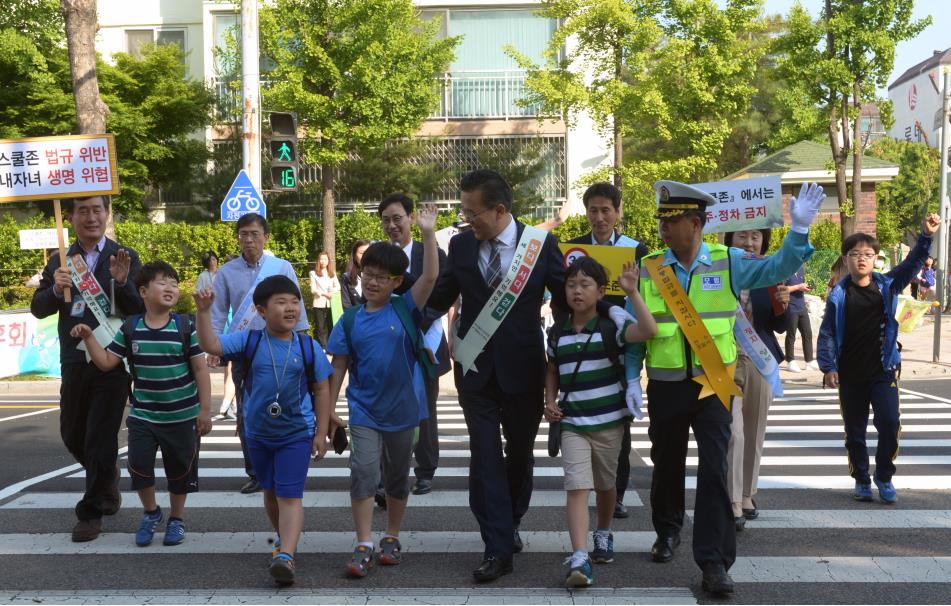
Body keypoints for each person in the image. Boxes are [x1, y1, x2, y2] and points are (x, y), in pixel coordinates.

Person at [426, 169, 633, 583]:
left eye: (473, 212)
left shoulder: (539, 246)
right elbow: (438, 297)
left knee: (518, 455)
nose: (467, 221)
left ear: (500, 209)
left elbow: (570, 293)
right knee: (484, 457)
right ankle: (497, 546)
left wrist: (609, 317)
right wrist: (396, 314)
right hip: (476, 371)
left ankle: (511, 519)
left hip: (523, 369)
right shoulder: (463, 246)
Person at [627, 180, 825, 596]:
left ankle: (715, 562)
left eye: (674, 220)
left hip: (714, 384)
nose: (665, 227)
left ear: (697, 223)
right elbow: (637, 324)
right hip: (665, 384)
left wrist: (800, 230)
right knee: (666, 464)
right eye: (662, 219)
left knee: (716, 470)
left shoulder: (728, 260)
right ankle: (667, 530)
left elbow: (775, 269)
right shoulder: (649, 267)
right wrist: (631, 375)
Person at [195, 275, 334, 586]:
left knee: (289, 495)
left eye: (295, 302)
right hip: (257, 433)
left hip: (296, 433)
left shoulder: (307, 345)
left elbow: (322, 390)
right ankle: (283, 538)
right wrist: (203, 312)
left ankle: (286, 554)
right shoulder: (250, 340)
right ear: (261, 310)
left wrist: (320, 433)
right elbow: (211, 344)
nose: (290, 308)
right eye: (281, 302)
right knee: (270, 492)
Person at [326, 204, 439, 578]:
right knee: (362, 471)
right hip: (364, 411)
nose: (372, 282)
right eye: (367, 274)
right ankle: (363, 542)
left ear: (395, 282)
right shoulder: (350, 319)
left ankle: (391, 535)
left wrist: (427, 233)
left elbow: (430, 277)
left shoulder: (405, 309)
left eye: (381, 277)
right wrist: (328, 411)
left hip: (404, 410)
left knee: (395, 478)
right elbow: (338, 368)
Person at [70, 261, 213, 547]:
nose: (170, 287)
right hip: (144, 416)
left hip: (181, 417)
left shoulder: (185, 327)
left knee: (180, 472)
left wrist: (205, 410)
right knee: (139, 466)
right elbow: (107, 362)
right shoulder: (130, 327)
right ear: (144, 292)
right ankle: (151, 513)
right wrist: (88, 337)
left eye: (173, 283)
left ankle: (176, 519)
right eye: (163, 283)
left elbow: (200, 370)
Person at [30, 195, 144, 542]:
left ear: (107, 214)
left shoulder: (125, 256)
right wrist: (55, 288)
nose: (91, 217)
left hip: (112, 359)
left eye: (97, 210)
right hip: (75, 359)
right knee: (72, 433)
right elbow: (38, 308)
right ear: (72, 217)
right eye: (83, 211)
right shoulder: (61, 260)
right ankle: (106, 477)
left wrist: (123, 283)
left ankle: (91, 511)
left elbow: (139, 308)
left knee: (100, 437)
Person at [544, 257, 656, 587]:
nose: (577, 291)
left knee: (607, 486)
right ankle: (579, 555)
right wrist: (549, 401)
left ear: (600, 290)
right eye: (571, 285)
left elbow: (649, 330)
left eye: (585, 284)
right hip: (573, 423)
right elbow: (551, 369)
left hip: (609, 423)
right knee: (577, 487)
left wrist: (633, 293)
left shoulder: (613, 327)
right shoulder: (558, 330)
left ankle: (604, 531)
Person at [818, 213, 940, 505]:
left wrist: (926, 236)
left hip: (883, 369)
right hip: (850, 374)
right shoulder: (838, 295)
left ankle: (883, 475)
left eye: (868, 254)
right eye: (855, 254)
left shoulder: (887, 285)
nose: (861, 259)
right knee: (855, 433)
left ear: (875, 259)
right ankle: (861, 479)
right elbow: (827, 334)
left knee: (889, 422)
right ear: (845, 259)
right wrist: (828, 367)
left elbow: (911, 266)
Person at [211, 213, 310, 495]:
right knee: (248, 410)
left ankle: (287, 459)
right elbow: (218, 312)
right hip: (245, 350)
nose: (249, 239)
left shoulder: (281, 267)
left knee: (286, 404)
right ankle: (255, 470)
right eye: (243, 234)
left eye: (255, 234)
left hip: (281, 347)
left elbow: (296, 307)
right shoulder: (227, 272)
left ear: (266, 237)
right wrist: (215, 347)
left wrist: (301, 342)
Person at [567, 181, 649, 519]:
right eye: (593, 210)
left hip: (622, 345)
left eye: (606, 210)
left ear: (618, 212)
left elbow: (642, 297)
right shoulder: (573, 251)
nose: (599, 217)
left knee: (620, 420)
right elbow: (566, 296)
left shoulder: (636, 250)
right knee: (584, 414)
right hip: (584, 341)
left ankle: (615, 492)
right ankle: (587, 485)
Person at [378, 193, 451, 496]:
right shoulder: (380, 255)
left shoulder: (430, 252)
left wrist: (417, 323)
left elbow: (443, 297)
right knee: (388, 407)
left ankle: (425, 470)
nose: (392, 225)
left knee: (425, 408)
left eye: (397, 218)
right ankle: (389, 472)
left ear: (410, 217)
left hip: (427, 341)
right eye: (386, 220)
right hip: (390, 344)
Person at [723, 230, 789, 531]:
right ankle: (732, 500)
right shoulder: (717, 269)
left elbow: (779, 326)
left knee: (754, 430)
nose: (749, 243)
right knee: (733, 432)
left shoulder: (768, 273)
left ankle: (747, 493)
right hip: (724, 360)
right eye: (742, 237)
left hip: (759, 360)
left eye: (755, 237)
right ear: (729, 240)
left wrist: (783, 305)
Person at [782, 265, 817, 372]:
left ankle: (809, 361)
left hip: (802, 306)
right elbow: (783, 289)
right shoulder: (786, 269)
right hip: (791, 307)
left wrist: (805, 288)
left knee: (807, 333)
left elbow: (801, 286)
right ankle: (790, 361)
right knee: (791, 334)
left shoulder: (801, 268)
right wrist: (798, 287)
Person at [309, 250, 340, 348]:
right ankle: (323, 347)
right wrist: (324, 293)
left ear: (328, 261)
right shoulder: (313, 273)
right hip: (319, 302)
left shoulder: (332, 273)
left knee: (330, 325)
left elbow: (338, 286)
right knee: (321, 326)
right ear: (318, 261)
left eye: (325, 259)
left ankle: (331, 346)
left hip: (331, 303)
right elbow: (313, 289)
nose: (323, 261)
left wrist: (331, 292)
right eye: (321, 259)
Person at [341, 240, 371, 309]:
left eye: (368, 252)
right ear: (354, 255)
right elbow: (346, 305)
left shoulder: (380, 277)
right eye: (362, 253)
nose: (365, 256)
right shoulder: (347, 277)